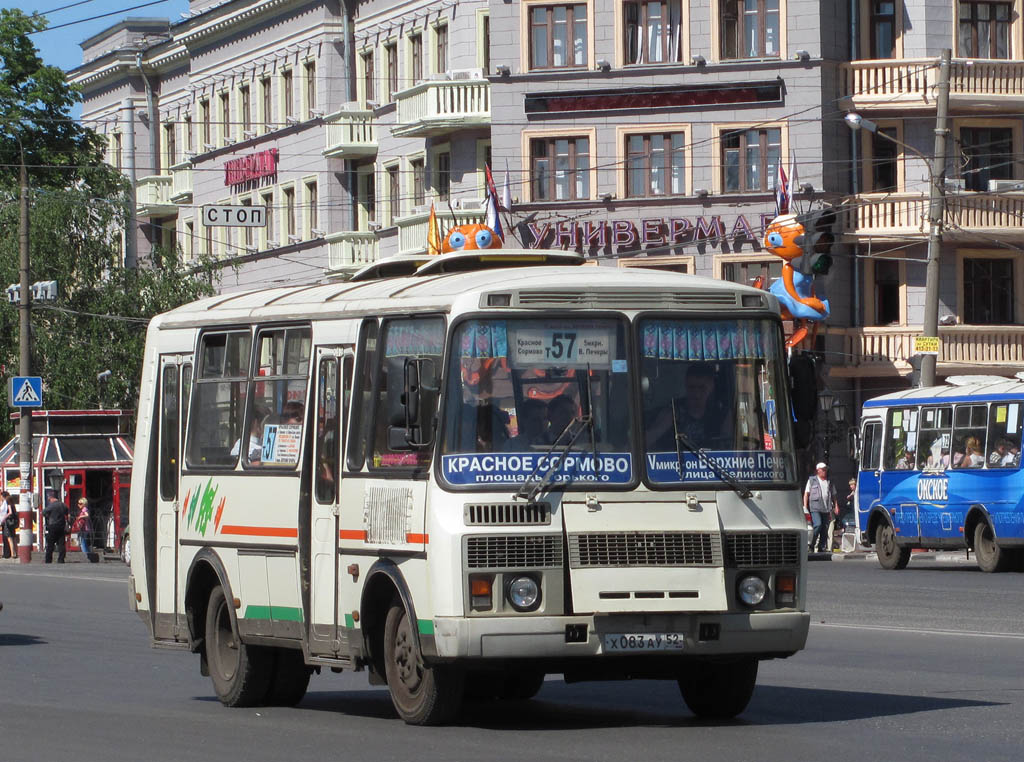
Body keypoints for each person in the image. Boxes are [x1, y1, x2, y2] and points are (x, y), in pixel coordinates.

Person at [646, 363, 721, 450]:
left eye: (702, 388)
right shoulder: (673, 411)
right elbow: (644, 443)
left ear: (711, 387)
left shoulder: (720, 414)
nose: (696, 394)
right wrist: (663, 425)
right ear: (685, 386)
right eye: (692, 388)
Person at [804, 462, 839, 553]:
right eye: (823, 470)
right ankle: (811, 544)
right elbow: (806, 494)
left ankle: (821, 547)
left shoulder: (829, 481)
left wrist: (836, 506)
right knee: (818, 524)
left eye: (825, 470)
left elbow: (834, 495)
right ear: (818, 470)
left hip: (826, 508)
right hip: (815, 507)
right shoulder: (812, 480)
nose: (824, 471)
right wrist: (805, 506)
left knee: (825, 528)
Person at [43, 494, 69, 564]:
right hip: (61, 526)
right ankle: (61, 559)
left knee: (50, 544)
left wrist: (48, 516)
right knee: (61, 544)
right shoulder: (63, 505)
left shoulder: (52, 506)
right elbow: (67, 512)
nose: (49, 501)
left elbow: (44, 512)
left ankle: (48, 560)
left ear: (52, 498)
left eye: (49, 499)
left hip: (53, 526)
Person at [1, 491, 15, 559]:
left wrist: (4, 518)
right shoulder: (10, 502)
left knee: (8, 538)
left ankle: (11, 554)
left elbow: (10, 512)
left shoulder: (7, 502)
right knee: (10, 537)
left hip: (7, 523)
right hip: (10, 523)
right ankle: (11, 553)